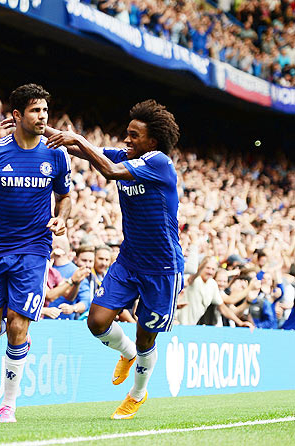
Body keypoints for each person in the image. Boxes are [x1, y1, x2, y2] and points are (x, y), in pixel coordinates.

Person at [47, 99, 182, 419]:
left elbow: (107, 170)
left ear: (152, 141)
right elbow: (85, 151)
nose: (127, 140)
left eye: (134, 135)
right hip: (129, 261)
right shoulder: (127, 156)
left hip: (162, 268)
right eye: (127, 133)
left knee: (146, 334)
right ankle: (127, 353)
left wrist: (78, 139)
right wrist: (41, 131)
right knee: (96, 321)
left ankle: (137, 394)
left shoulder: (159, 162)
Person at [0, 84, 71, 423]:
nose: (43, 118)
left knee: (18, 325)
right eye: (36, 111)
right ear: (17, 115)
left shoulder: (55, 154)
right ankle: (13, 322)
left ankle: (8, 403)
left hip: (34, 249)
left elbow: (65, 196)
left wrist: (61, 219)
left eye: (46, 112)